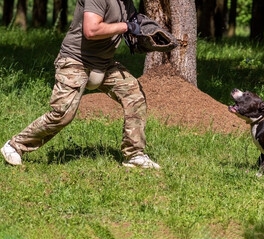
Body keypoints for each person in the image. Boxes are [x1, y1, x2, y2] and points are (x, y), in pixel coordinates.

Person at [1, 0, 160, 169]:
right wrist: (126, 27)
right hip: (75, 60)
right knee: (62, 115)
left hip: (104, 62)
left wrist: (143, 33)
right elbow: (91, 30)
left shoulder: (125, 2)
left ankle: (135, 155)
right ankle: (15, 145)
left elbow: (130, 24)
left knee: (134, 96)